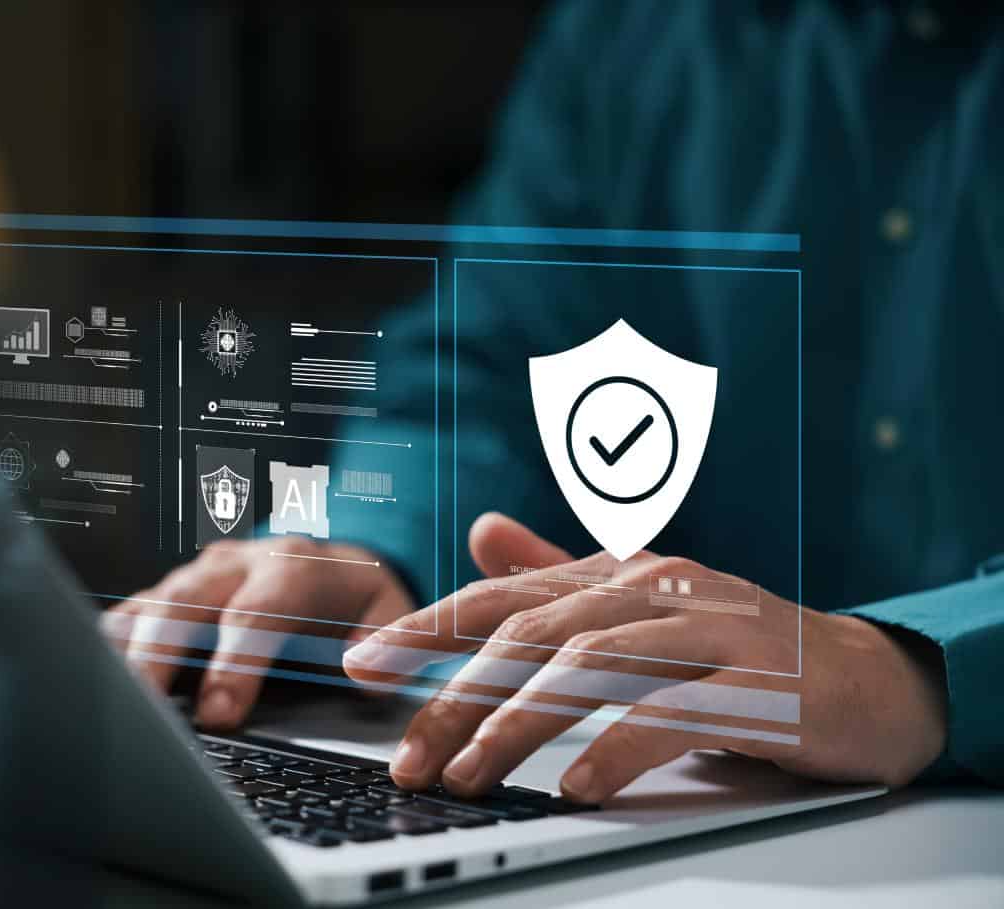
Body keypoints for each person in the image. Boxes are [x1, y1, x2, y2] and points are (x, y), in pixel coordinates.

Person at [108, 0, 1003, 804]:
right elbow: (489, 368)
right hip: (682, 812)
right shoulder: (632, 31)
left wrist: (918, 663)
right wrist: (370, 549)